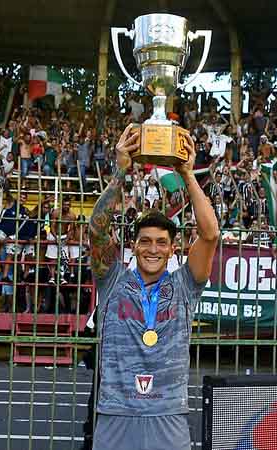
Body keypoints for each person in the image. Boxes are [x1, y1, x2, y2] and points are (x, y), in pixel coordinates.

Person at [87, 125, 218, 450]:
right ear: (133, 246)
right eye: (145, 241)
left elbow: (210, 234)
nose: (153, 249)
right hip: (116, 414)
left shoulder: (185, 285)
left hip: (168, 414)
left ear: (173, 249)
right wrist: (120, 171)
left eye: (162, 242)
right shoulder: (113, 279)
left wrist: (187, 174)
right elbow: (97, 231)